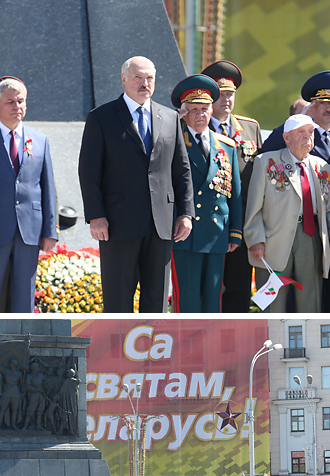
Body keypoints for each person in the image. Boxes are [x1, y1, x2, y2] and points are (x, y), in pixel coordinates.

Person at [78, 55, 194, 312]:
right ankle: (117, 352)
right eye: (138, 77)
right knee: (118, 300)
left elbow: (181, 169)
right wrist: (96, 216)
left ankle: (152, 351)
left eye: (149, 78)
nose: (145, 83)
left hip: (160, 225)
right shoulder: (102, 117)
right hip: (118, 224)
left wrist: (186, 213)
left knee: (156, 301)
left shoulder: (170, 117)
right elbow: (88, 171)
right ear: (124, 79)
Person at [261, 72, 330, 311]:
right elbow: (266, 151)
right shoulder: (297, 135)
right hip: (302, 228)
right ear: (312, 106)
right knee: (300, 295)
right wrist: (298, 119)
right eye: (324, 103)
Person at [0, 78, 57, 312]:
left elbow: (47, 188)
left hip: (29, 232)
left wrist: (50, 231)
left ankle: (24, 342)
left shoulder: (40, 140)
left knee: (24, 298)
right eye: (10, 102)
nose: (17, 106)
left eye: (21, 101)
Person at [245, 114, 330, 312]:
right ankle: (272, 341)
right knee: (273, 304)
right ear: (286, 137)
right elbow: (254, 207)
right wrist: (255, 239)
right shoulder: (266, 162)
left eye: (311, 132)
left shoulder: (324, 168)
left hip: (310, 238)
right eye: (301, 132)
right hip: (273, 240)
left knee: (311, 300)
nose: (307, 137)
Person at [170, 75, 242, 312]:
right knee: (187, 301)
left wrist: (235, 231)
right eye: (194, 109)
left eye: (205, 108)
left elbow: (235, 193)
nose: (201, 114)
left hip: (216, 233)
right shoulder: (173, 141)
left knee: (213, 301)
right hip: (185, 234)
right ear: (184, 112)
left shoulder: (226, 146)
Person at [202, 59, 262, 311]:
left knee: (238, 288)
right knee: (208, 287)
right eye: (220, 94)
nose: (226, 99)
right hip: (206, 221)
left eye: (230, 94)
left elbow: (259, 177)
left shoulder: (250, 128)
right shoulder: (193, 127)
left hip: (242, 223)